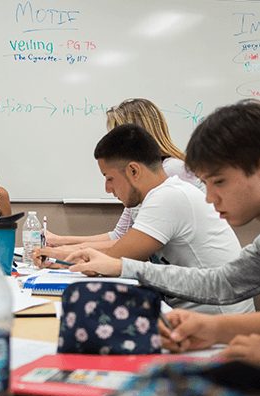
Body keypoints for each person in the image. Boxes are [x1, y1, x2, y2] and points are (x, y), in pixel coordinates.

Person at [65, 99, 260, 365]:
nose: (210, 198)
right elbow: (222, 283)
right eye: (206, 183)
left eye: (219, 182)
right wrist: (212, 328)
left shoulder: (169, 195)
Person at [44, 123, 254, 314]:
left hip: (214, 324)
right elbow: (120, 251)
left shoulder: (168, 197)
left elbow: (115, 257)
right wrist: (63, 254)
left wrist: (59, 255)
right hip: (194, 318)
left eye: (109, 179)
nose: (107, 189)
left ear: (134, 170)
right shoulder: (158, 196)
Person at [44, 98, 205, 255]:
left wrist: (64, 253)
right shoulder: (143, 181)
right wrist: (59, 243)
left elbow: (126, 248)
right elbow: (120, 235)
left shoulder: (169, 173)